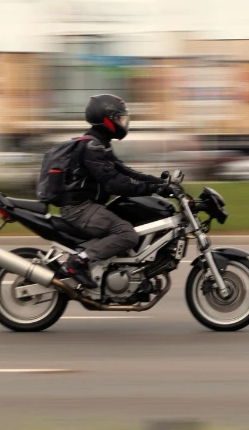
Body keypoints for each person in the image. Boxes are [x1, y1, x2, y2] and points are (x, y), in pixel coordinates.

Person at [54, 94, 167, 289]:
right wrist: (153, 188)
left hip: (88, 206)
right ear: (107, 118)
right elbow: (115, 184)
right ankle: (79, 261)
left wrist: (161, 183)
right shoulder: (92, 147)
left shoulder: (99, 143)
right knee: (127, 234)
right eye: (119, 118)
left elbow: (125, 171)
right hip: (79, 208)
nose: (123, 123)